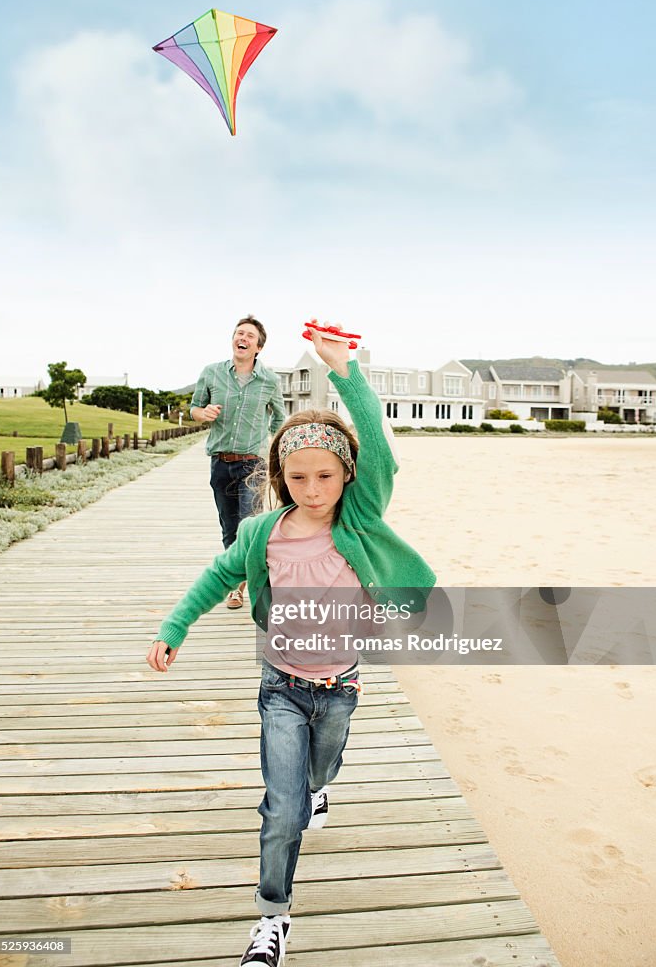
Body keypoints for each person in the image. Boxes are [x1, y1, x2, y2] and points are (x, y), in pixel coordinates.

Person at [146, 322, 436, 967]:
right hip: (279, 684)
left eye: (325, 476)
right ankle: (272, 919)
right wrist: (175, 626)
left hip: (340, 685)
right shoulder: (259, 532)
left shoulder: (360, 519)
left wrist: (345, 371)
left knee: (317, 774)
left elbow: (383, 454)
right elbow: (217, 575)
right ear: (279, 474)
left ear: (345, 476)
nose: (312, 489)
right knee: (282, 811)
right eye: (298, 476)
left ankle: (319, 785)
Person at [190, 315, 285, 609]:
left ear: (258, 347)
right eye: (238, 333)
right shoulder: (212, 373)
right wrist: (202, 413)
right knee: (230, 530)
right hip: (220, 463)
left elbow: (279, 420)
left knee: (251, 527)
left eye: (249, 336)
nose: (242, 338)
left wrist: (277, 453)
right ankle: (236, 583)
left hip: (253, 464)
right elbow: (194, 407)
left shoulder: (270, 381)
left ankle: (250, 589)